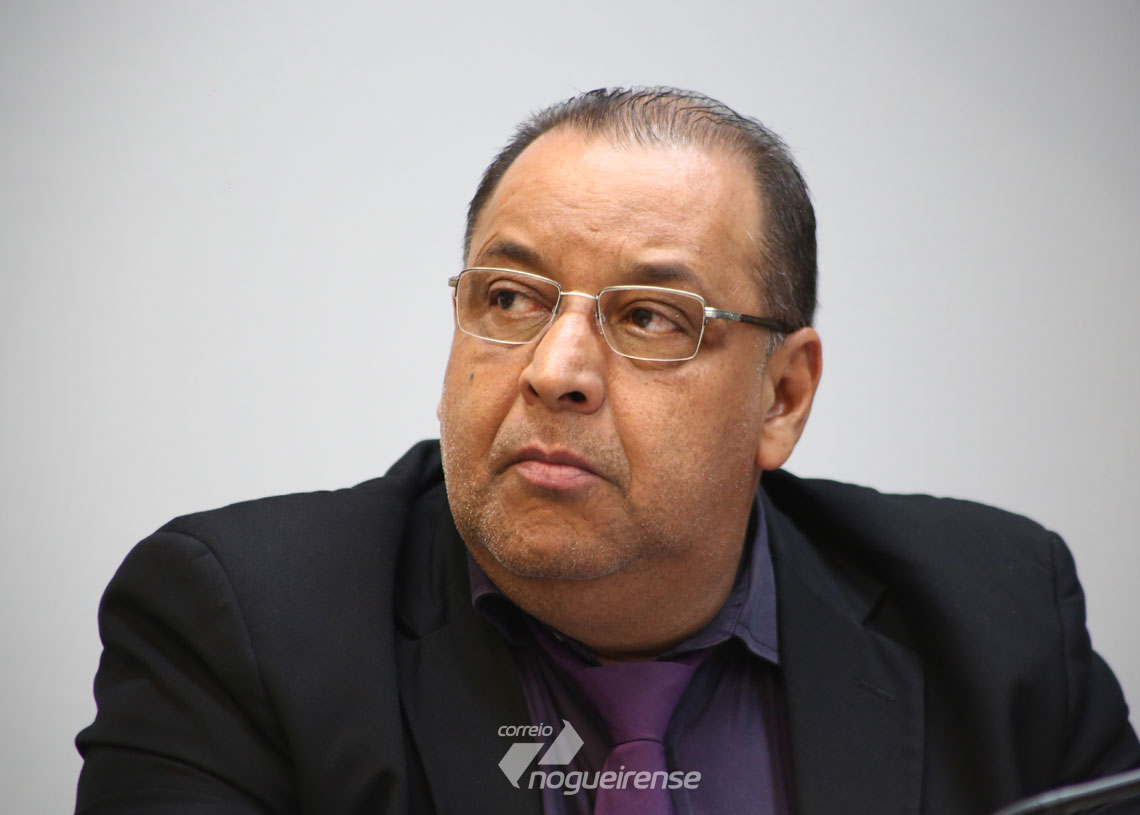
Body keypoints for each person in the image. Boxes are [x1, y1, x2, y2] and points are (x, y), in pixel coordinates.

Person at [74, 87, 1140, 815]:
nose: (555, 370)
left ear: (782, 395)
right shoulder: (241, 626)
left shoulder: (1000, 622)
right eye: (509, 298)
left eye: (650, 318)